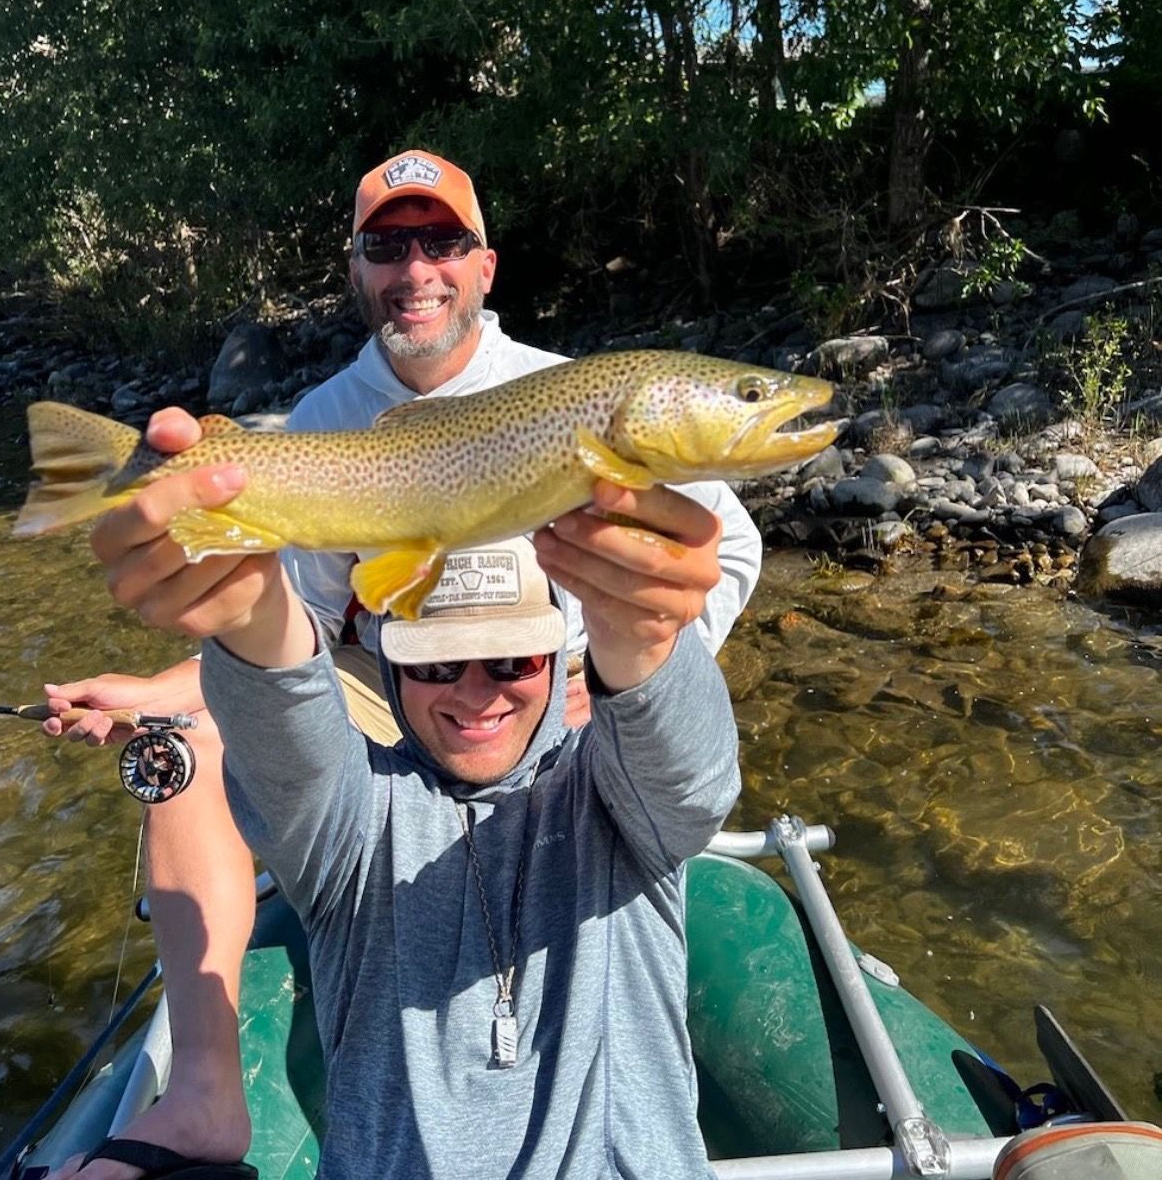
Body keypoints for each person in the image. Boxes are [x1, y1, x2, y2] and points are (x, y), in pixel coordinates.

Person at [46, 151, 761, 1179]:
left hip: (564, 682)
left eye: (440, 241)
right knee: (189, 738)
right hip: (392, 666)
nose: (415, 266)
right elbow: (289, 623)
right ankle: (203, 1090)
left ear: (483, 267)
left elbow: (722, 555)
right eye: (388, 244)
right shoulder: (319, 422)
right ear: (357, 270)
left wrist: (619, 667)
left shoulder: (583, 392)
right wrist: (166, 685)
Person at [68, 472, 739, 1179]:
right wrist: (248, 610)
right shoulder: (351, 817)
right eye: (438, 663)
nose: (476, 692)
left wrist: (644, 634)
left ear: (557, 657)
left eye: (513, 659)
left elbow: (690, 779)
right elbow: (287, 728)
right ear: (390, 665)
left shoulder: (618, 794)